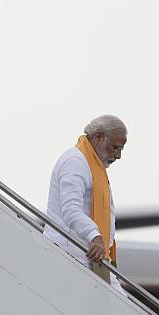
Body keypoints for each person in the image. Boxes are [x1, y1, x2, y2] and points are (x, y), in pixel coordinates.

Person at [43, 115, 127, 294]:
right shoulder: (76, 162)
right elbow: (70, 208)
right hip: (74, 255)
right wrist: (94, 236)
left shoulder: (92, 164)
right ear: (98, 137)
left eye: (121, 149)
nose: (118, 155)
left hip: (91, 257)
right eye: (115, 147)